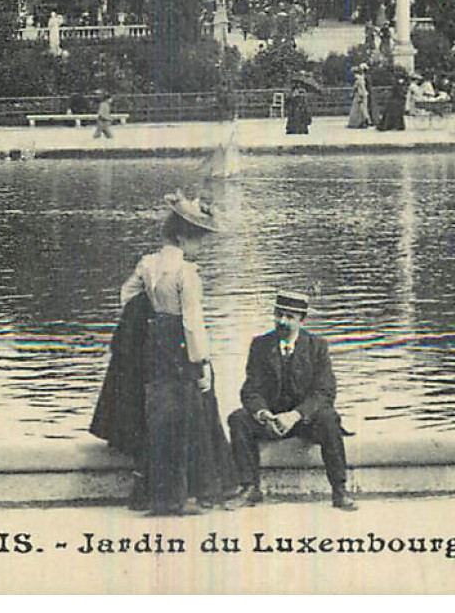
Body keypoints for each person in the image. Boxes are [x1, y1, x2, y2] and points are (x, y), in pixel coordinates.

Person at [104, 192, 234, 515]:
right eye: (198, 240)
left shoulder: (148, 264)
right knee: (196, 409)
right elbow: (192, 322)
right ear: (183, 237)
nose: (200, 247)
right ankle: (202, 488)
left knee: (161, 414)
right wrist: (202, 363)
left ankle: (160, 493)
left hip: (155, 343)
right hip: (180, 345)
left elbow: (126, 295)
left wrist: (150, 317)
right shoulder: (186, 273)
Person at [227, 291, 357, 511]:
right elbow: (250, 390)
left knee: (329, 418)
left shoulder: (317, 346)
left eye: (289, 317)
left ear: (301, 320)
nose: (282, 322)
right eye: (278, 315)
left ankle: (339, 490)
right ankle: (250, 488)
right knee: (238, 419)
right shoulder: (260, 345)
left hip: (306, 422)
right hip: (272, 421)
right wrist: (262, 413)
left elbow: (325, 392)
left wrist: (295, 415)